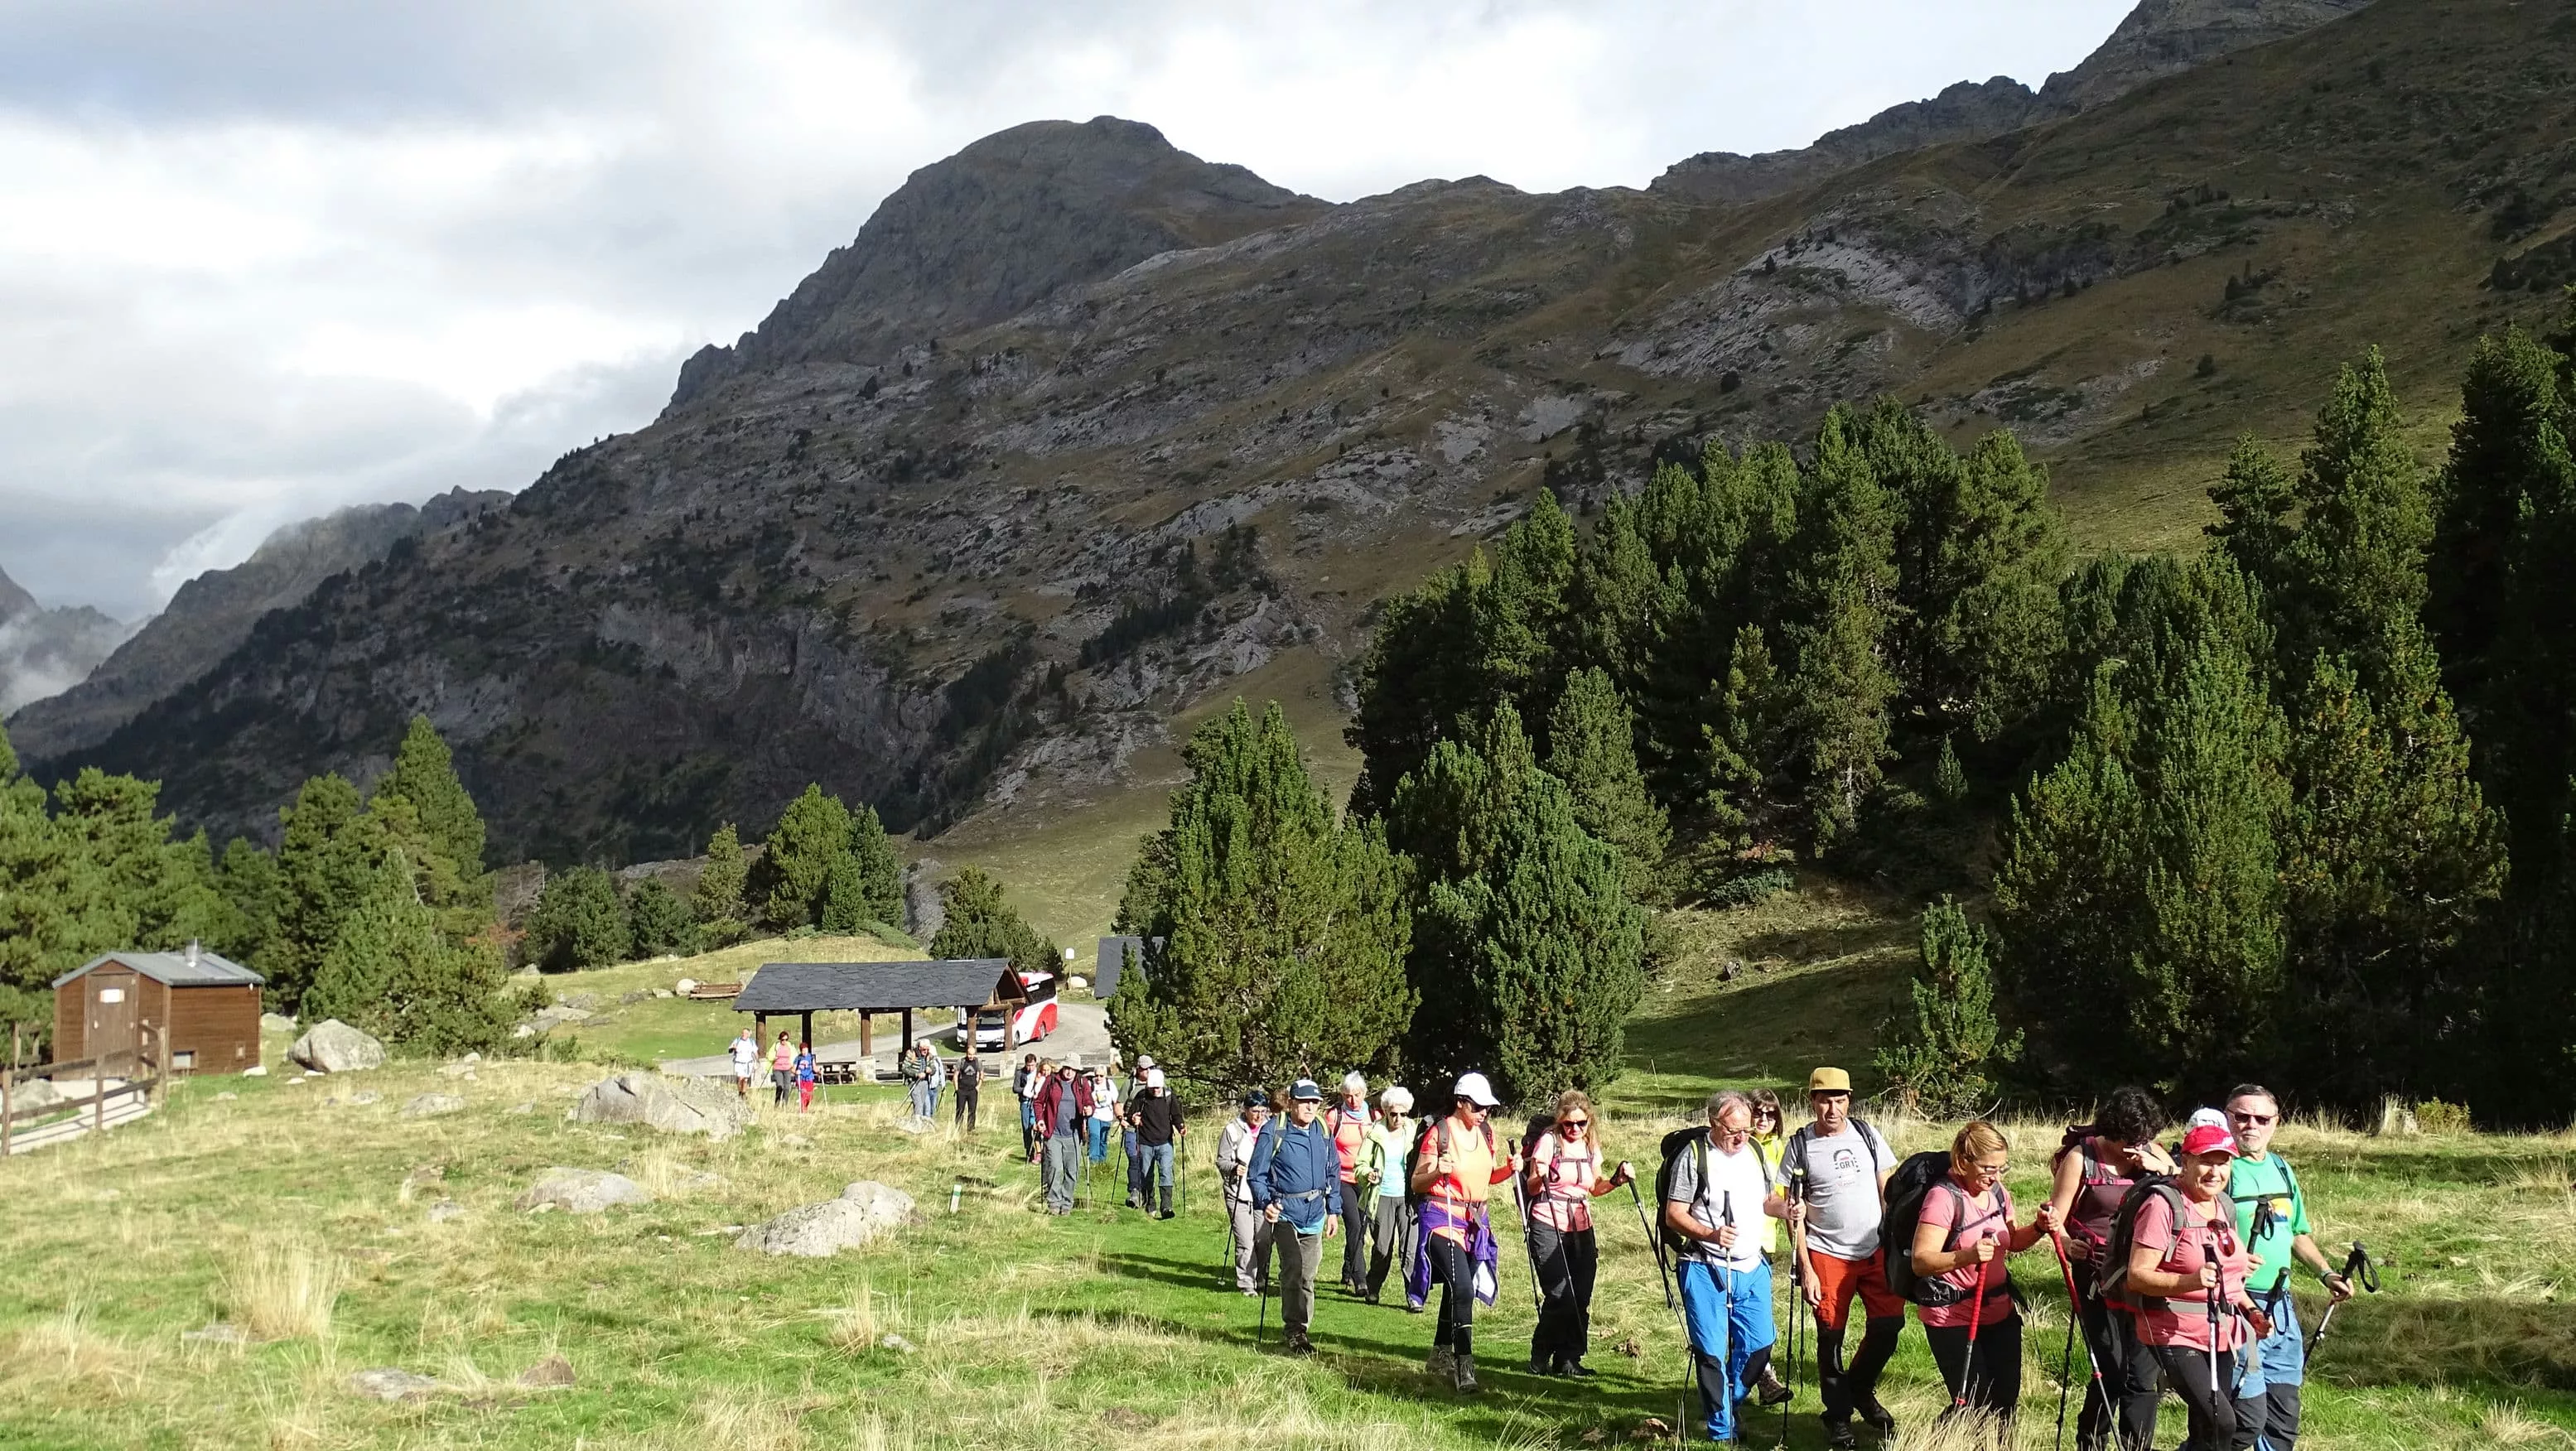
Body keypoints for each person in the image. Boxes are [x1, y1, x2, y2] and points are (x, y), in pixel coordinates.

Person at [2125, 1121, 2271, 1451]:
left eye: (2224, 1162)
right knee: (2221, 1421)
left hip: (2221, 1330)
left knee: (2206, 1429)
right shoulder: (2163, 1205)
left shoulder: (2224, 1206)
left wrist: (2251, 1311)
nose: (2215, 1171)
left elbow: (2228, 1280)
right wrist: (2190, 1280)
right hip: (2172, 1331)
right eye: (2207, 1161)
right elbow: (2138, 1274)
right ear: (2186, 1160)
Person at [2045, 1085, 2176, 1451]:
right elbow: (2054, 1218)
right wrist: (2069, 1245)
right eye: (2127, 1139)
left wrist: (2161, 1170)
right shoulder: (2080, 1158)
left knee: (2144, 1373)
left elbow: (2183, 1193)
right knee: (2113, 1369)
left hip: (2142, 1271)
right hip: (2095, 1274)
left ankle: (2137, 1446)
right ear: (2111, 1130)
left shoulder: (2154, 1154)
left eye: (2144, 1138)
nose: (2135, 1146)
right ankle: (2092, 1437)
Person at [2226, 1085, 2356, 1451]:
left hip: (2281, 1309)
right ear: (2227, 1118)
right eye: (2242, 1116)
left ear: (2275, 1123)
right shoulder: (2219, 1170)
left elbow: (2296, 1233)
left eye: (2262, 1119)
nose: (2251, 1125)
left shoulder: (2281, 1168)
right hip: (2240, 1309)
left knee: (2283, 1418)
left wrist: (2326, 1274)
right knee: (2242, 1421)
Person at [1911, 1121, 2058, 1439]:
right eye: (1989, 1168)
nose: (1996, 1177)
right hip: (1952, 1316)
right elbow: (1921, 1261)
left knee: (2005, 1399)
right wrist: (1967, 1257)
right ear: (1964, 1162)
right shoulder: (1943, 1198)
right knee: (1973, 1403)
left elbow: (2013, 1241)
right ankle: (1938, 1442)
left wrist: (2039, 1228)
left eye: (2001, 1168)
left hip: (1999, 1311)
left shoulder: (1999, 1194)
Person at [1780, 1067, 1900, 1450]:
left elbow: (1888, 1190)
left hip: (1875, 1249)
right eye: (1825, 1099)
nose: (1833, 1108)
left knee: (1888, 1327)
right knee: (1831, 1337)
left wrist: (1896, 1242)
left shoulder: (1867, 1134)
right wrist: (1806, 1268)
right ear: (1812, 1100)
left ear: (1849, 1098)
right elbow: (1792, 1212)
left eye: (1840, 1099)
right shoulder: (1800, 1145)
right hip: (1826, 1254)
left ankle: (1860, 1389)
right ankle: (1837, 1415)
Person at [1665, 1090, 1788, 1442]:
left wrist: (1786, 1208)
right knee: (1711, 1352)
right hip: (1704, 1267)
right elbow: (1674, 1214)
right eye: (1733, 1130)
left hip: (1752, 1266)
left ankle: (1728, 1399)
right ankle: (1722, 1431)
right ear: (1713, 1122)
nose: (1741, 1137)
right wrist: (1711, 1234)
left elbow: (1767, 1200)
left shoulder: (1755, 1151)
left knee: (1761, 1341)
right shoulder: (1694, 1157)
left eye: (1747, 1130)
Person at [1411, 1072, 1522, 1394]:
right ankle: (1464, 1367)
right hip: (1440, 1216)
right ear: (1460, 1103)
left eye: (1487, 1106)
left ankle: (1439, 1354)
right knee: (1462, 1288)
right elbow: (1418, 1182)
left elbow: (1485, 1179)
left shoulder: (1487, 1134)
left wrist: (1509, 1170)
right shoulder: (1439, 1133)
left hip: (1474, 1222)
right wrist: (1436, 1171)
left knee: (1456, 1289)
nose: (1483, 1112)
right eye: (1477, 1106)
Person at [1522, 1088, 1633, 1378]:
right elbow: (1533, 1187)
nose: (1574, 1129)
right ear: (1560, 1122)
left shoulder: (1589, 1143)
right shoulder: (1549, 1142)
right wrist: (1540, 1176)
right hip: (1548, 1221)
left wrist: (1617, 1181)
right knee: (1560, 1295)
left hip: (1581, 1225)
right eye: (1568, 1124)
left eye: (1581, 1123)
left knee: (1581, 1295)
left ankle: (1569, 1359)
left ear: (1589, 1121)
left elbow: (1594, 1188)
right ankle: (1540, 1353)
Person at [1248, 1077, 1343, 1356]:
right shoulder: (1273, 1131)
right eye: (1304, 1101)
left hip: (1315, 1213)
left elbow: (1333, 1171)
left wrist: (1333, 1210)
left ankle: (1302, 1329)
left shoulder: (1323, 1130)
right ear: (1291, 1103)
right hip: (1284, 1212)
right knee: (1293, 1269)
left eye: (1315, 1102)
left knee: (1308, 1276)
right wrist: (1265, 1202)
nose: (1310, 1107)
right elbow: (1257, 1174)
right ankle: (1295, 1331)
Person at [1746, 1088, 1796, 1409]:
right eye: (1758, 1112)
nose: (1764, 1119)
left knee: (1757, 1313)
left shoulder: (1779, 1148)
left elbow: (1781, 1197)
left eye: (1771, 1114)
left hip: (1764, 1241)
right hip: (1733, 1238)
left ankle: (1759, 1377)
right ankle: (1759, 1378)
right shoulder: (1738, 1145)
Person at [1362, 1086, 1419, 1309]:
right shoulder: (1376, 1132)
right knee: (1382, 1248)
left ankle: (1413, 1295)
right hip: (1383, 1195)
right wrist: (1368, 1173)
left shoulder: (1415, 1131)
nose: (1398, 1118)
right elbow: (1361, 1164)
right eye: (1393, 1114)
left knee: (1409, 1249)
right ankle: (1373, 1288)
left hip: (1408, 1197)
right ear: (1385, 1111)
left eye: (1403, 1114)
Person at [1217, 1090, 1276, 1294]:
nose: (1258, 1116)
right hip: (1238, 1192)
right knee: (1245, 1241)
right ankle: (1246, 1284)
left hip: (1264, 1195)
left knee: (1264, 1240)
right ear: (1245, 1109)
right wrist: (1234, 1168)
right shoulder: (1232, 1130)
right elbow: (1221, 1160)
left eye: (1262, 1111)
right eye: (1254, 1111)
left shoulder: (1272, 1128)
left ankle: (1261, 1277)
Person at [1326, 1071, 1375, 1294]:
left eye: (1356, 1095)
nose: (1352, 1100)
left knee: (1361, 1227)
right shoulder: (1333, 1116)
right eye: (1347, 1096)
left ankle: (1347, 1269)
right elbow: (1325, 1147)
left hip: (1366, 1180)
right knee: (1354, 1226)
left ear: (1364, 1093)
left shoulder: (1374, 1116)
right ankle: (1360, 1279)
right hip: (1342, 1179)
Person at [1129, 1067, 1185, 1217]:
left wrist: (1181, 1127)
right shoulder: (1141, 1097)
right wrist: (1134, 1119)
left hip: (1165, 1142)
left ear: (1162, 1085)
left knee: (1166, 1172)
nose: (1155, 1091)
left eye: (1157, 1088)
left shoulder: (1169, 1097)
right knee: (1146, 1174)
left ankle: (1166, 1206)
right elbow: (1131, 1115)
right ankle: (1150, 1204)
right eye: (1152, 1088)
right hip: (1145, 1142)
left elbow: (1176, 1116)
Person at [1036, 1062, 1084, 1214]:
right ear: (1063, 1068)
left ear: (1077, 1070)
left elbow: (1089, 1102)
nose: (1069, 1072)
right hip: (1053, 1133)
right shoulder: (1051, 1081)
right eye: (1067, 1068)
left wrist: (1089, 1109)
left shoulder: (1082, 1083)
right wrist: (1040, 1120)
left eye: (1073, 1069)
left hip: (1074, 1134)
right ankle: (1054, 1203)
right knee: (1055, 1168)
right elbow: (1038, 1102)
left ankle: (1067, 1204)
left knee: (1072, 1171)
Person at [1125, 1054, 1156, 1207]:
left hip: (1150, 1131)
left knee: (1147, 1163)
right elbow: (1119, 1103)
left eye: (1151, 1068)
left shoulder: (1156, 1085)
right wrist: (1121, 1118)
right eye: (1145, 1068)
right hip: (1132, 1129)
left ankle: (1148, 1194)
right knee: (1134, 1159)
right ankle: (1134, 1192)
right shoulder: (1130, 1084)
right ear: (1138, 1069)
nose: (1149, 1071)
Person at [1087, 1067, 1121, 1164]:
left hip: (1107, 1115)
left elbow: (1116, 1100)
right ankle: (1093, 1161)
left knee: (1103, 1139)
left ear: (1105, 1075)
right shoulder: (1090, 1084)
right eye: (1096, 1075)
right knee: (1094, 1136)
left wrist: (1118, 1115)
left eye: (1101, 1076)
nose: (1098, 1078)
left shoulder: (1110, 1084)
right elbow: (1086, 1099)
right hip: (1094, 1114)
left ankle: (1102, 1161)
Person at [1015, 1053, 1041, 1162]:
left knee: (1036, 1127)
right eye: (1028, 1065)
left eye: (1033, 1065)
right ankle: (1029, 1152)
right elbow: (1015, 1088)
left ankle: (1039, 1151)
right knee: (1026, 1129)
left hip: (1036, 1104)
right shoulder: (1020, 1073)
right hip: (1025, 1103)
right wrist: (1026, 1090)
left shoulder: (1039, 1073)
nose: (1030, 1068)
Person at [900, 1043, 933, 1121]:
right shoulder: (911, 1054)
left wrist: (931, 1070)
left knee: (921, 1104)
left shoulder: (929, 1056)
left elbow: (933, 1068)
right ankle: (917, 1122)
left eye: (927, 1049)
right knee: (918, 1103)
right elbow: (904, 1068)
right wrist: (916, 1074)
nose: (926, 1051)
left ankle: (915, 1120)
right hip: (914, 1082)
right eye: (924, 1049)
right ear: (919, 1048)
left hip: (925, 1082)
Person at [954, 1046, 982, 1131]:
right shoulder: (961, 1062)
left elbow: (982, 1073)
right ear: (966, 1053)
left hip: (973, 1091)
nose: (971, 1056)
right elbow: (956, 1075)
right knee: (960, 1110)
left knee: (972, 1110)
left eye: (973, 1054)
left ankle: (970, 1128)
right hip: (962, 1090)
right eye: (970, 1054)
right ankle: (958, 1128)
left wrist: (978, 1086)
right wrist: (957, 1089)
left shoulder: (978, 1062)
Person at [727, 1025, 759, 1102]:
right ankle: (740, 1092)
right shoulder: (737, 1040)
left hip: (748, 1063)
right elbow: (730, 1050)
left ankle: (744, 1093)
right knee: (740, 1078)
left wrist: (757, 1061)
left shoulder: (751, 1042)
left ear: (748, 1034)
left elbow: (755, 1052)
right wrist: (733, 1048)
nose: (744, 1034)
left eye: (746, 1033)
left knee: (745, 1079)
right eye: (743, 1033)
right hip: (739, 1063)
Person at [920, 1038, 944, 1122]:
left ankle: (931, 1123)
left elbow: (941, 1073)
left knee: (933, 1108)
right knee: (927, 1107)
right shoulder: (924, 1060)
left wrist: (943, 1086)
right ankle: (925, 1123)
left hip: (935, 1087)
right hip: (926, 1088)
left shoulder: (937, 1061)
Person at [769, 1030, 794, 1109]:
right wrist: (774, 1058)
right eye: (783, 1040)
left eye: (786, 1039)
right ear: (780, 1039)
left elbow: (794, 1056)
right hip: (778, 1069)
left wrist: (793, 1066)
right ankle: (776, 1104)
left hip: (787, 1069)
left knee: (787, 1087)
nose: (784, 1041)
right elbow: (770, 1055)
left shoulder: (789, 1046)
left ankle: (785, 1105)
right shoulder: (776, 1046)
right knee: (780, 1086)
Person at [794, 1039, 818, 1112]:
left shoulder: (811, 1057)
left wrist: (819, 1071)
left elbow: (814, 1068)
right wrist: (796, 1072)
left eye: (806, 1050)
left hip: (809, 1078)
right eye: (803, 1050)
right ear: (801, 1051)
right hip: (801, 1078)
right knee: (803, 1094)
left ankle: (805, 1107)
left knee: (810, 1096)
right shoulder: (798, 1058)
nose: (804, 1052)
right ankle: (803, 1110)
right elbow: (793, 1069)